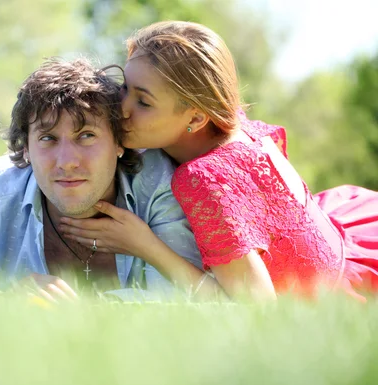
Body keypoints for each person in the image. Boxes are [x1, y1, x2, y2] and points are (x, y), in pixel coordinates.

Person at [60, 21, 378, 301]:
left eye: (143, 101)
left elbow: (257, 308)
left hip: (335, 290)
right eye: (125, 87)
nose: (122, 108)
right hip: (338, 239)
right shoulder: (233, 125)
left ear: (197, 116)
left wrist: (144, 245)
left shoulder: (205, 180)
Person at [0, 58, 222, 301]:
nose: (67, 161)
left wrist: (86, 314)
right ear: (25, 147)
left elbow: (179, 304)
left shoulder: (162, 183)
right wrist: (7, 307)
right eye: (48, 138)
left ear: (120, 142)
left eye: (87, 136)